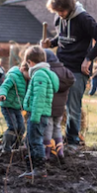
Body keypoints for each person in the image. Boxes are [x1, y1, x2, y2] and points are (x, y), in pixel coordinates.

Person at [41, 0, 97, 147]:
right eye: (56, 12)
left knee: (73, 106)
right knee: (54, 102)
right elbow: (63, 36)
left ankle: (72, 141)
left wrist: (88, 59)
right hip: (60, 65)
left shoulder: (84, 18)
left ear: (69, 6)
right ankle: (52, 138)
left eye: (61, 11)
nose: (59, 14)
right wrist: (51, 43)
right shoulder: (60, 17)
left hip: (78, 69)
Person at [21, 46, 59, 178]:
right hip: (38, 114)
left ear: (30, 62)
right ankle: (31, 168)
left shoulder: (39, 74)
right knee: (30, 141)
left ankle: (40, 169)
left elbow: (39, 97)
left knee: (35, 141)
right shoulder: (42, 73)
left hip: (37, 114)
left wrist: (35, 116)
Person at [45, 49, 74, 160]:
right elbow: (72, 79)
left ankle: (47, 152)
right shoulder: (65, 71)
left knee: (48, 128)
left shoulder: (47, 71)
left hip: (49, 106)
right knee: (57, 127)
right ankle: (60, 151)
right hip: (60, 107)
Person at [0, 61, 29, 154]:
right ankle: (6, 148)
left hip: (17, 107)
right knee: (13, 126)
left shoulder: (26, 79)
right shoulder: (13, 76)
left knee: (21, 128)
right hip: (8, 105)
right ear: (23, 69)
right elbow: (4, 86)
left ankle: (16, 146)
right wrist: (2, 94)